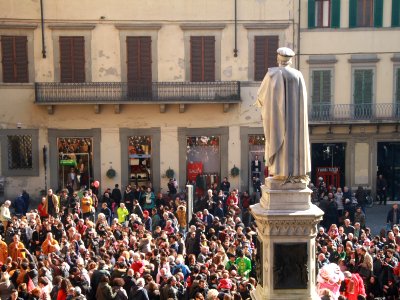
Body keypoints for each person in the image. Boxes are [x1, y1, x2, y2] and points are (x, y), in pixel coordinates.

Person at [256, 47, 310, 178]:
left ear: (278, 59)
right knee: (293, 142)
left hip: (277, 120)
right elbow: (303, 100)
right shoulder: (298, 75)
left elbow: (260, 96)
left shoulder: (272, 74)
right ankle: (296, 173)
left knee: (278, 138)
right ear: (290, 60)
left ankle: (280, 172)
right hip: (295, 123)